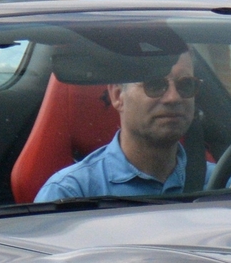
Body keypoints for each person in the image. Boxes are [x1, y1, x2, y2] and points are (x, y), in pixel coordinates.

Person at [35, 54, 200, 203]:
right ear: (117, 95)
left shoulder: (220, 183)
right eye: (155, 84)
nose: (173, 98)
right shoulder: (70, 193)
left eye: (185, 85)